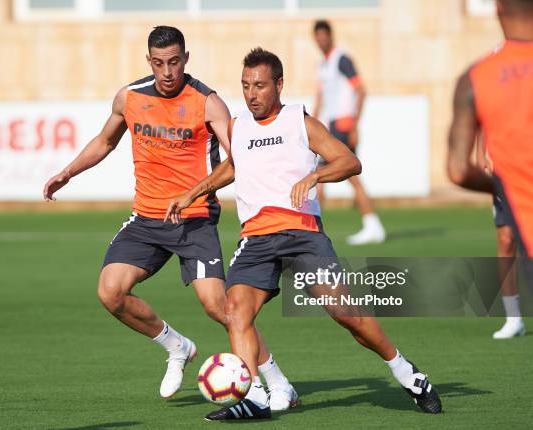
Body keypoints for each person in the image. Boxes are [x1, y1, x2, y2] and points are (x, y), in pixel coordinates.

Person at [166, 48, 442, 420]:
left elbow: (349, 161)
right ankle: (255, 399)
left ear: (279, 85)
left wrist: (316, 175)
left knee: (346, 314)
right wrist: (192, 193)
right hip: (256, 239)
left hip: (302, 233)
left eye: (260, 86)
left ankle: (407, 373)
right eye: (246, 86)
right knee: (236, 311)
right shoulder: (238, 125)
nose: (252, 94)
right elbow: (233, 167)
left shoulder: (300, 121)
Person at [43, 26, 294, 407]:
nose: (167, 71)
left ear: (186, 59)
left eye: (174, 62)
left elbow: (240, 158)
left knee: (220, 308)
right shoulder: (129, 97)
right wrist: (68, 172)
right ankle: (176, 346)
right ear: (149, 61)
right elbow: (105, 141)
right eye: (159, 63)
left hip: (194, 220)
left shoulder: (207, 102)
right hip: (146, 220)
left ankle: (276, 382)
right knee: (110, 292)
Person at [448, 0, 533, 328]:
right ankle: (513, 318)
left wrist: (505, 183)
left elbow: (457, 169)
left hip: (516, 196)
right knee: (504, 240)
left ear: (497, 10)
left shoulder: (476, 78)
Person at [312, 19, 385, 245]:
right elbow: (321, 98)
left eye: (324, 35)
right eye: (318, 36)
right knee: (329, 176)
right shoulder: (324, 65)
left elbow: (361, 90)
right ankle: (370, 224)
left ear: (330, 35)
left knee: (331, 175)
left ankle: (316, 230)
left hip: (344, 124)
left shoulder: (341, 59)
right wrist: (311, 122)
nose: (321, 39)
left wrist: (355, 124)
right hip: (332, 125)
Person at [477, 139, 525, 338]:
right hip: (505, 168)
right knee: (506, 240)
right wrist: (481, 155)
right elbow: (482, 117)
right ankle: (513, 318)